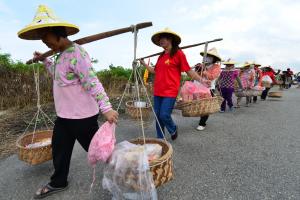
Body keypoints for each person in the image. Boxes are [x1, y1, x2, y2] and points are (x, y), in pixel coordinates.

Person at [18, 5, 118, 199]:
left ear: (59, 35)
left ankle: (127, 170)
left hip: (82, 117)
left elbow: (92, 82)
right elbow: (60, 76)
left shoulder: (77, 54)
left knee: (101, 151)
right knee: (60, 150)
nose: (48, 46)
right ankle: (58, 182)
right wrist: (45, 61)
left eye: (48, 41)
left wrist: (106, 108)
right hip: (64, 116)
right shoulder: (61, 56)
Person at [140, 28, 203, 139]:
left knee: (164, 114)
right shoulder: (161, 57)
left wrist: (201, 80)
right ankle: (160, 138)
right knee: (158, 116)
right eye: (160, 39)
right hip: (158, 90)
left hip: (170, 91)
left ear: (170, 39)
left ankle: (173, 128)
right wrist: (144, 64)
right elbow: (154, 71)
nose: (161, 40)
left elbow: (188, 70)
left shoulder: (179, 54)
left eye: (163, 38)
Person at [194, 48, 221, 131]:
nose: (207, 58)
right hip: (198, 88)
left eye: (209, 56)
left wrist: (204, 70)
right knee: (198, 105)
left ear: (214, 58)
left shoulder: (216, 67)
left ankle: (202, 123)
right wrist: (198, 69)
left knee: (206, 106)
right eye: (206, 56)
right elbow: (196, 75)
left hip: (209, 89)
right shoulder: (202, 65)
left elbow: (212, 77)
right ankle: (202, 118)